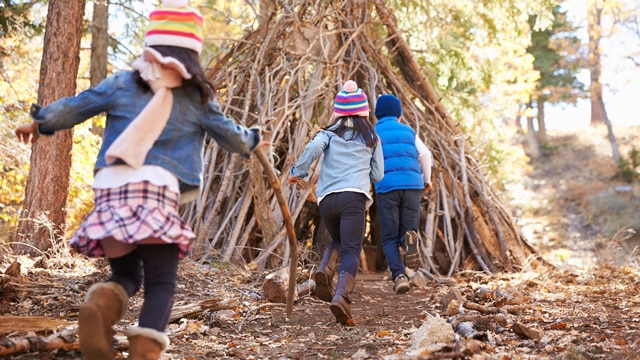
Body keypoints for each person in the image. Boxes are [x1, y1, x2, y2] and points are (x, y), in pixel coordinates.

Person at [15, 1, 265, 358]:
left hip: (112, 192)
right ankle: (144, 352)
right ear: (191, 51)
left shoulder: (123, 82)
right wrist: (254, 140)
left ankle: (100, 306)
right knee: (161, 282)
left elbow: (80, 104)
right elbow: (231, 137)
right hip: (156, 193)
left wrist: (40, 123)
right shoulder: (196, 96)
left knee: (127, 275)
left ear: (152, 43)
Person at [288, 80, 384, 325]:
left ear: (338, 111)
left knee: (339, 241)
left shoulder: (328, 133)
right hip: (353, 197)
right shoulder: (371, 135)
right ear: (363, 111)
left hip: (326, 199)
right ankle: (341, 297)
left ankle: (325, 270)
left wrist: (297, 172)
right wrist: (364, 175)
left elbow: (313, 148)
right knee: (352, 248)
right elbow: (378, 174)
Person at [373, 94, 433, 295]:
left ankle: (399, 276)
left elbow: (367, 161)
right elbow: (424, 154)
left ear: (377, 114)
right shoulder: (409, 131)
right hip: (412, 185)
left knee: (389, 237)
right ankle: (409, 242)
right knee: (407, 230)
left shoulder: (374, 133)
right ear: (399, 115)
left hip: (387, 187)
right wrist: (427, 179)